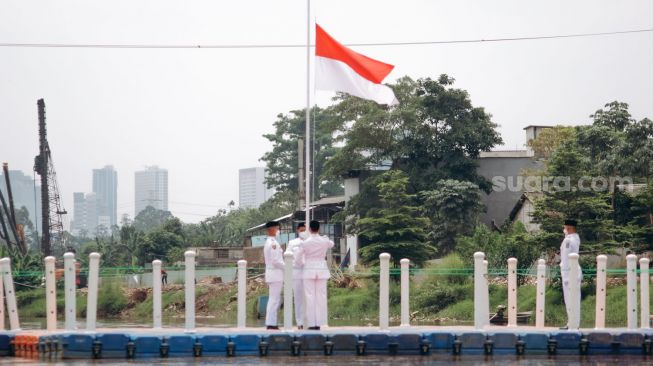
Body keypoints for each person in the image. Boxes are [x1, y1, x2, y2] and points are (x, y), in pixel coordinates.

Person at [295, 220, 334, 330]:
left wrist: (302, 264)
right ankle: (321, 322)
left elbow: (298, 258)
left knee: (310, 297)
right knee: (321, 297)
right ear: (319, 228)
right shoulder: (324, 241)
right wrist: (325, 238)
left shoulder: (305, 242)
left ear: (310, 229)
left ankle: (312, 324)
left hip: (309, 269)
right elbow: (332, 244)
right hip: (321, 268)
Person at [285, 222, 308, 329]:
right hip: (297, 272)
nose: (303, 232)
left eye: (305, 230)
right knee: (298, 298)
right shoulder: (292, 242)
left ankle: (309, 321)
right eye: (302, 230)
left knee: (309, 297)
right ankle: (300, 322)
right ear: (298, 230)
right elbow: (287, 256)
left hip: (308, 271)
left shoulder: (310, 241)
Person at [560, 218, 581, 329]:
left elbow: (566, 257)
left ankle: (572, 323)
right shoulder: (575, 238)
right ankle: (572, 322)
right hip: (572, 271)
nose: (564, 229)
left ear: (568, 228)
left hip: (569, 272)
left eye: (565, 227)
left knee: (571, 299)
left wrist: (566, 275)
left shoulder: (568, 240)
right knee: (572, 299)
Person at [263, 220, 284, 330]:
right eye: (277, 228)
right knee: (274, 299)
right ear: (271, 229)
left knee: (274, 299)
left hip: (273, 274)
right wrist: (288, 267)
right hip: (275, 274)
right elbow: (276, 261)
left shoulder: (270, 242)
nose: (278, 230)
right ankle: (271, 323)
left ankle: (271, 322)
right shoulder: (273, 244)